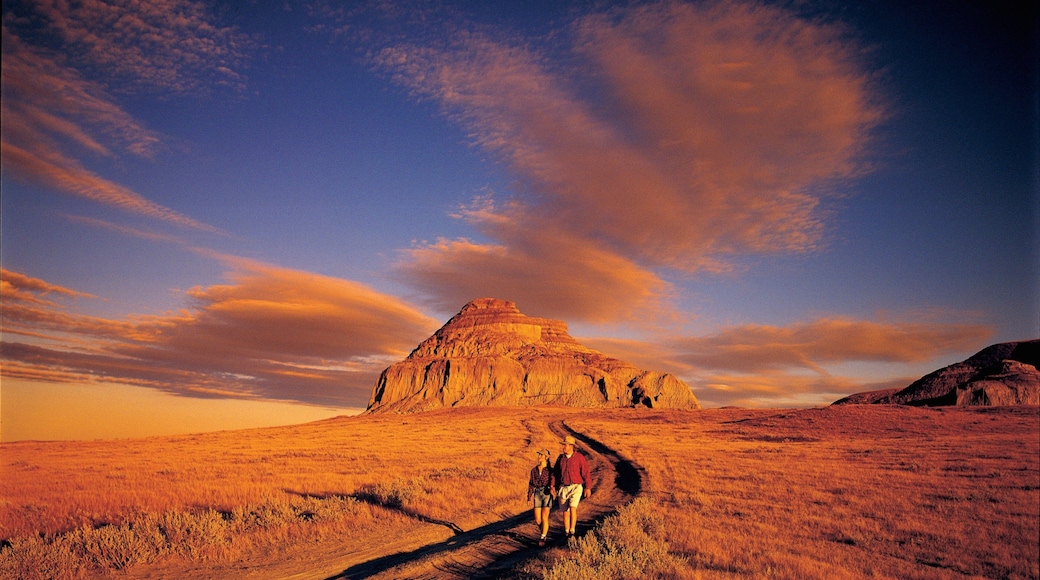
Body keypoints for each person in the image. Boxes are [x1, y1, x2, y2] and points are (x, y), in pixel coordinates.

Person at [554, 435, 591, 538]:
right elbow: (555, 474)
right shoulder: (560, 459)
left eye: (565, 445)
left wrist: (587, 487)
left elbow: (585, 473)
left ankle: (572, 531)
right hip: (563, 487)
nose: (563, 447)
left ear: (571, 446)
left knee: (572, 508)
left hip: (576, 487)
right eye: (563, 445)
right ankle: (566, 532)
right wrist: (553, 486)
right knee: (565, 512)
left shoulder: (579, 458)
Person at [526, 448, 556, 546]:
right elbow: (531, 483)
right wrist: (529, 496)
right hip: (537, 493)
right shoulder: (534, 470)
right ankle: (544, 531)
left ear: (546, 457)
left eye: (541, 455)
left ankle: (543, 537)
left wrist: (552, 489)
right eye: (539, 454)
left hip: (547, 493)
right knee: (538, 520)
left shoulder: (550, 470)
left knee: (544, 517)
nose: (539, 457)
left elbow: (553, 481)